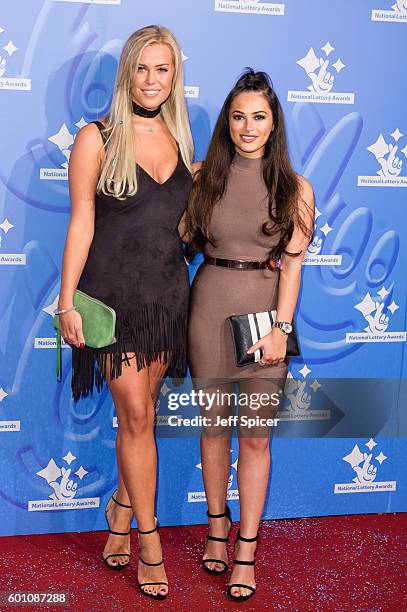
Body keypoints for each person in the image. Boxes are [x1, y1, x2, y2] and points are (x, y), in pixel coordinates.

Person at [56, 25, 195, 600]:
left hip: (166, 302)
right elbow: (82, 222)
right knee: (136, 415)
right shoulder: (97, 137)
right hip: (111, 302)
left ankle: (119, 509)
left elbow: (183, 229)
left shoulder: (183, 141)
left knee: (144, 417)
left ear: (174, 77)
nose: (152, 80)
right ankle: (150, 541)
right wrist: (67, 302)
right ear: (127, 74)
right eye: (142, 68)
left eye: (162, 69)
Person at [184, 69, 314, 601]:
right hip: (208, 309)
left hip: (265, 320)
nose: (248, 126)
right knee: (213, 430)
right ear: (227, 122)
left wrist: (282, 329)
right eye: (238, 116)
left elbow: (293, 268)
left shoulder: (295, 188)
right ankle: (217, 529)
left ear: (274, 122)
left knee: (255, 437)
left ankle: (246, 551)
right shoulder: (201, 178)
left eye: (258, 116)